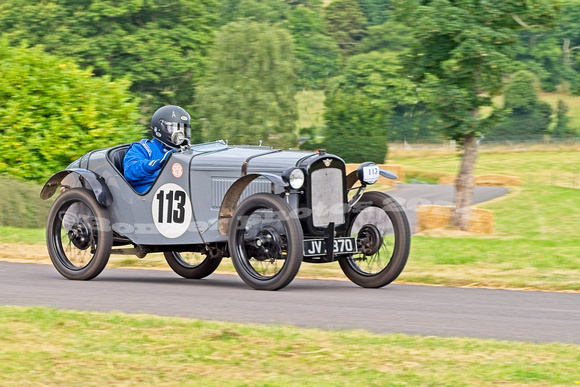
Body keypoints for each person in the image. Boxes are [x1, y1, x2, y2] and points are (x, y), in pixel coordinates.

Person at [123, 105, 191, 193]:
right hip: (148, 197)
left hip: (176, 193)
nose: (182, 135)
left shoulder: (183, 151)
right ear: (160, 129)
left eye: (184, 130)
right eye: (176, 129)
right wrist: (158, 163)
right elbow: (130, 171)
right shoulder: (143, 148)